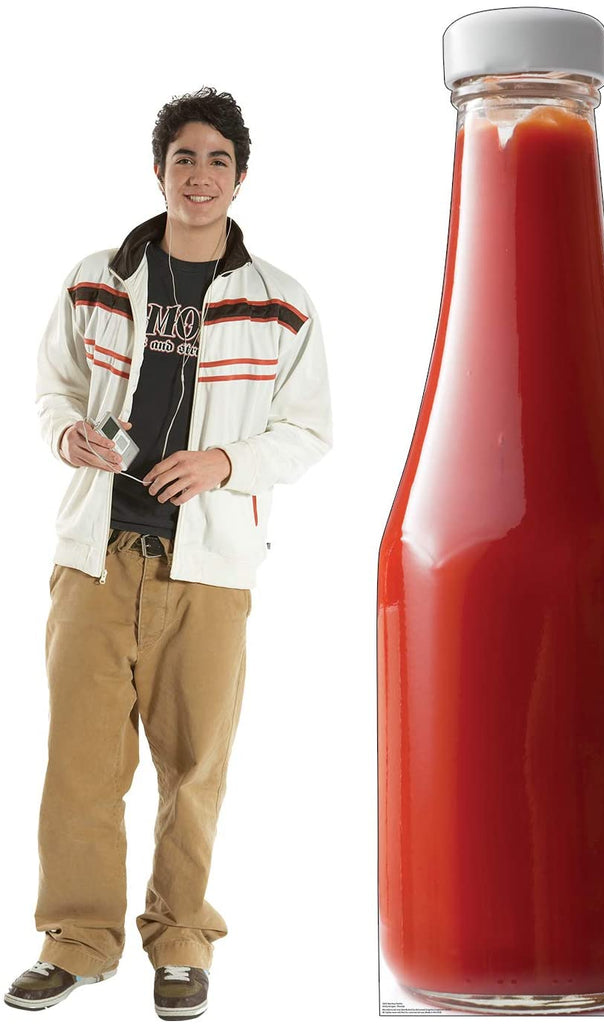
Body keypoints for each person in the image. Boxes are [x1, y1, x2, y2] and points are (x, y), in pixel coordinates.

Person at [5, 86, 332, 1020]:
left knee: (194, 768)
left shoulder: (280, 302)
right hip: (96, 556)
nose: (199, 175)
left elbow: (308, 432)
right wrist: (65, 432)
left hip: (209, 569)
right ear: (159, 171)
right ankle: (76, 941)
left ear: (240, 177)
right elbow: (51, 388)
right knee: (79, 764)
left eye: (217, 160)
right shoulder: (95, 278)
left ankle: (182, 941)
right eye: (184, 157)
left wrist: (224, 462)